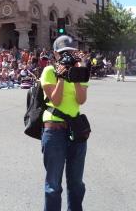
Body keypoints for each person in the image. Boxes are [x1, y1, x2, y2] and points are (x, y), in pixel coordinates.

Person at [40, 35, 88, 211]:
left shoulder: (80, 71)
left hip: (76, 129)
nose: (67, 56)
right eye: (63, 53)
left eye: (71, 52)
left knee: (76, 183)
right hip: (54, 131)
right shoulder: (49, 71)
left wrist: (75, 76)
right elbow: (56, 100)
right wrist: (61, 76)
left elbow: (81, 100)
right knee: (53, 185)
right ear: (55, 54)